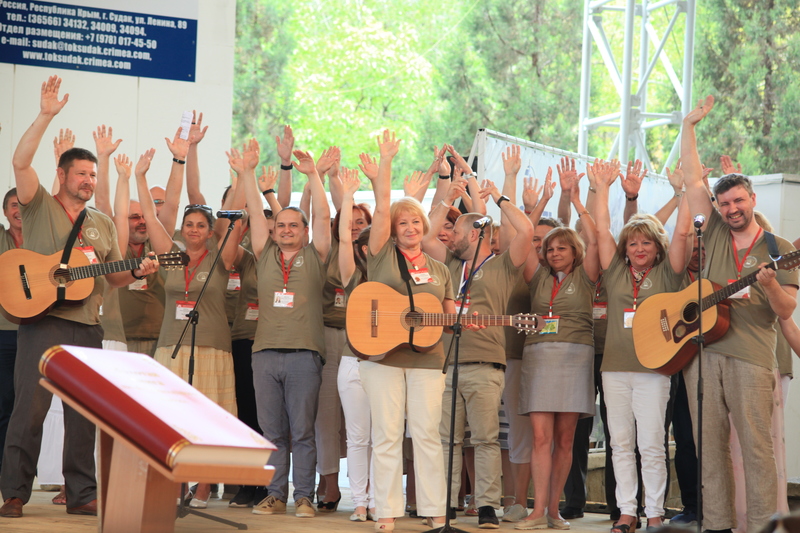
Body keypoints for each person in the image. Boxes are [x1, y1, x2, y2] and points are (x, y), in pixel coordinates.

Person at [0, 76, 158, 519]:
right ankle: (14, 492)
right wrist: (47, 114)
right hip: (42, 320)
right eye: (82, 173)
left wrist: (139, 269)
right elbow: (19, 159)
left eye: (93, 175)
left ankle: (81, 493)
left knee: (85, 414)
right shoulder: (36, 204)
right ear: (63, 175)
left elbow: (116, 277)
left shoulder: (103, 223)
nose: (89, 180)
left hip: (88, 325)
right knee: (29, 409)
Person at [681, 96, 799, 533]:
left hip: (751, 357)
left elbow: (787, 310)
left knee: (756, 449)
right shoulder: (710, 228)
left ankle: (763, 528)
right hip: (701, 353)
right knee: (707, 448)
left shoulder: (779, 249)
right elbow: (692, 177)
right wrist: (688, 126)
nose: (732, 209)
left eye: (738, 201)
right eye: (724, 203)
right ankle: (716, 526)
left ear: (752, 198)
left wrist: (769, 284)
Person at [423, 144, 533, 530]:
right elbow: (424, 237)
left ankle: (487, 506)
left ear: (477, 232)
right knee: (446, 440)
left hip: (486, 365)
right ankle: (447, 503)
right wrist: (447, 190)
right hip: (445, 362)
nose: (449, 235)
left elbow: (526, 230)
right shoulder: (448, 262)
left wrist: (498, 195)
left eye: (456, 229)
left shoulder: (503, 264)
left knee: (485, 439)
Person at [135, 141, 245, 508]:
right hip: (171, 347)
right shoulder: (170, 255)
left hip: (213, 348)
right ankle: (175, 484)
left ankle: (202, 487)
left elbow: (236, 215)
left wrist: (243, 174)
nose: (195, 229)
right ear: (181, 228)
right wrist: (138, 177)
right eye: (189, 224)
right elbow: (151, 218)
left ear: (211, 230)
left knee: (209, 421)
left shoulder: (221, 255)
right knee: (172, 421)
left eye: (201, 225)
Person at [362, 130, 454, 532]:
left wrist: (456, 318)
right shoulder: (380, 256)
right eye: (404, 222)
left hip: (428, 360)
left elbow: (449, 315)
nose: (410, 226)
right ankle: (386, 513)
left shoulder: (441, 270)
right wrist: (386, 164)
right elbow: (381, 209)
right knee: (386, 436)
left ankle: (436, 510)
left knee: (427, 435)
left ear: (424, 227)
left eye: (416, 221)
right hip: (381, 356)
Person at [594, 157, 690, 533]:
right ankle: (627, 513)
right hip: (614, 369)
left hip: (653, 371)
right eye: (632, 242)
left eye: (646, 241)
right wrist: (602, 189)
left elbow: (682, 234)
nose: (638, 247)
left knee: (650, 446)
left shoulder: (669, 270)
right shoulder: (615, 270)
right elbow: (602, 231)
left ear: (656, 245)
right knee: (620, 445)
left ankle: (654, 514)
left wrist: (682, 192)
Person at [240, 139, 331, 519]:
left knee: (303, 432)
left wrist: (313, 176)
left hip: (304, 355)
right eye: (281, 225)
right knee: (270, 432)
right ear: (273, 231)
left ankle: (304, 497)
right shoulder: (263, 255)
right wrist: (246, 173)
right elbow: (255, 213)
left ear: (305, 232)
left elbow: (325, 218)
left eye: (294, 225)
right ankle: (275, 493)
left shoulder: (315, 255)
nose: (286, 229)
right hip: (264, 354)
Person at [515, 171, 600, 531]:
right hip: (538, 356)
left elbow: (595, 239)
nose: (553, 252)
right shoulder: (537, 275)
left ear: (574, 251)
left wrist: (578, 200)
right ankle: (536, 513)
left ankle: (553, 510)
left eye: (560, 247)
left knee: (565, 439)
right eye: (549, 248)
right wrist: (541, 204)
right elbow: (523, 239)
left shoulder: (587, 274)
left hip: (576, 357)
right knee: (540, 437)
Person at [335, 168, 376, 522]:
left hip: (388, 364)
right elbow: (344, 242)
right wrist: (347, 196)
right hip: (352, 362)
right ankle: (360, 501)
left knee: (384, 437)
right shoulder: (351, 274)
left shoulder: (393, 275)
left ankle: (380, 500)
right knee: (358, 438)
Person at [0, 189, 23, 476]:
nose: (18, 210)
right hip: (3, 333)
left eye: (23, 205)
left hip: (38, 331)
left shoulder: (43, 240)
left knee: (30, 407)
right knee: (5, 401)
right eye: (13, 206)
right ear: (5, 212)